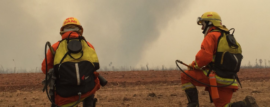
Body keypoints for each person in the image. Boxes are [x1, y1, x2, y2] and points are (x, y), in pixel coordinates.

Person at [180, 12, 259, 107]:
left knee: (185, 76)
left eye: (203, 24)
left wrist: (193, 66)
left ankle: (193, 105)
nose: (202, 28)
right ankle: (246, 105)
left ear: (210, 23)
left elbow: (204, 57)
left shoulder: (211, 36)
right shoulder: (228, 37)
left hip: (216, 77)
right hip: (230, 80)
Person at [41, 17, 100, 107]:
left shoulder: (55, 47)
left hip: (64, 94)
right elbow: (95, 66)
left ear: (62, 31)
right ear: (80, 30)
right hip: (87, 90)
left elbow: (45, 68)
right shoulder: (88, 45)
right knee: (93, 82)